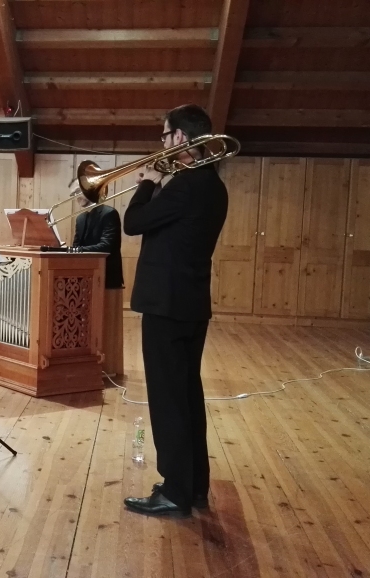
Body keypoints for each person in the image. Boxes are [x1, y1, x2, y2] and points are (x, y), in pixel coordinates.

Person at [121, 104, 229, 517]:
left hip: (166, 305)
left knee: (168, 399)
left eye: (165, 135)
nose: (161, 143)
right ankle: (194, 484)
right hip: (190, 305)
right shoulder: (212, 186)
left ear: (181, 138)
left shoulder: (184, 187)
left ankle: (175, 490)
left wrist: (148, 183)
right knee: (186, 395)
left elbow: (133, 223)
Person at [68, 177, 125, 376]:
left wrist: (75, 251)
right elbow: (76, 247)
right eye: (72, 193)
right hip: (85, 281)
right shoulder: (80, 218)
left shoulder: (109, 214)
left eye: (77, 191)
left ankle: (108, 368)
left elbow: (106, 246)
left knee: (106, 329)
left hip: (107, 279)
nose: (74, 197)